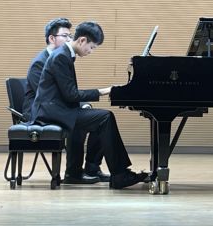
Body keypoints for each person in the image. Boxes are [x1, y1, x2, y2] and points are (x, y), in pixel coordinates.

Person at [31, 20, 147, 190]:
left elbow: (68, 93)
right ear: (82, 40)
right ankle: (120, 174)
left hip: (58, 108)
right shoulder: (61, 56)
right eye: (91, 47)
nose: (90, 51)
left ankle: (98, 170)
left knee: (100, 118)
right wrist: (105, 91)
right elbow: (71, 95)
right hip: (52, 112)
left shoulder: (64, 54)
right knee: (105, 118)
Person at [22, 17, 107, 185]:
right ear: (52, 38)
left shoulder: (62, 57)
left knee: (91, 117)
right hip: (39, 111)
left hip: (55, 106)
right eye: (65, 36)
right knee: (82, 120)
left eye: (70, 36)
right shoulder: (41, 62)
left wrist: (83, 105)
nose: (70, 39)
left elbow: (63, 93)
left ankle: (90, 168)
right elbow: (47, 96)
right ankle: (74, 171)